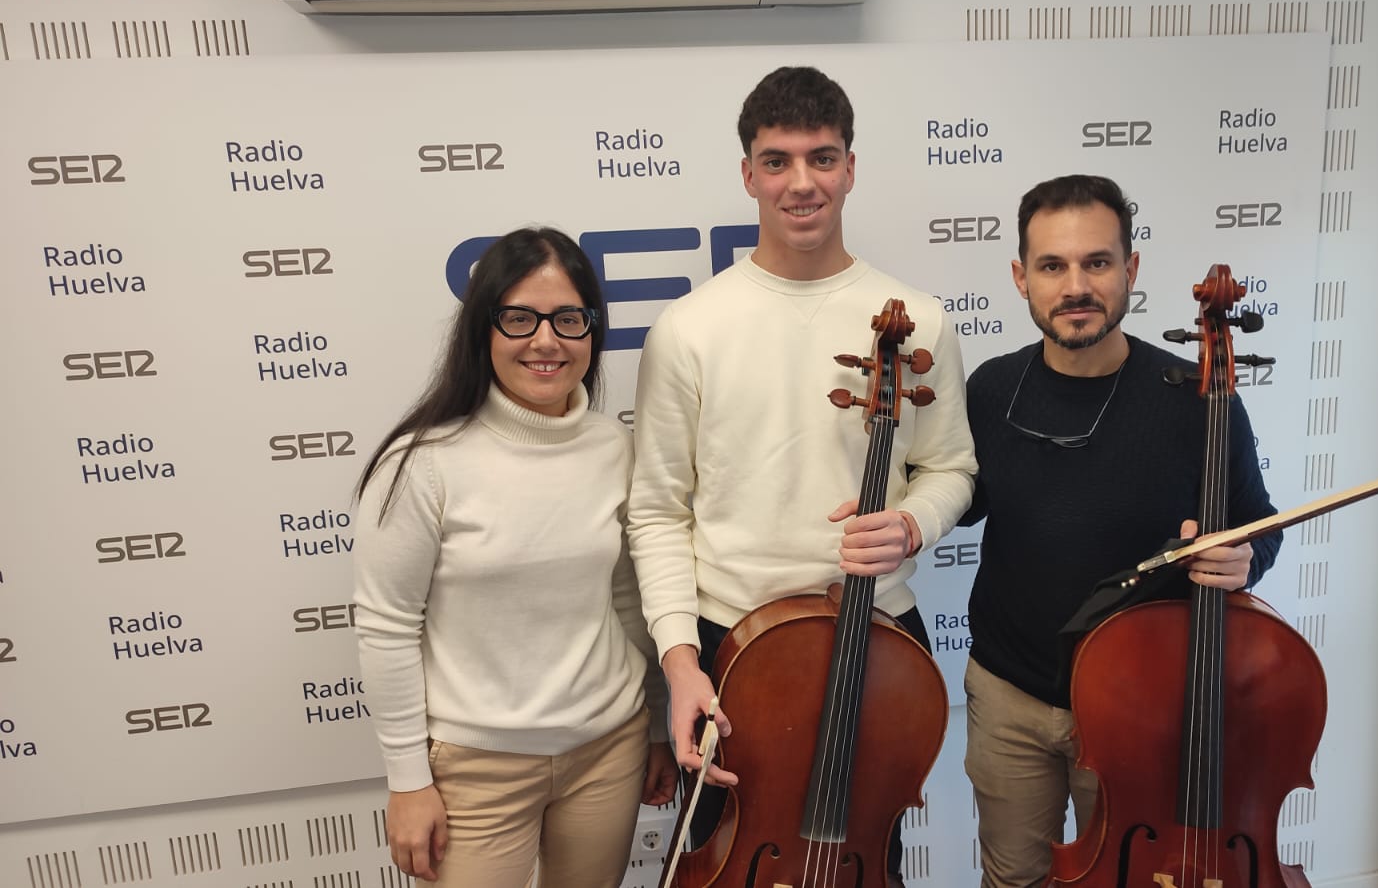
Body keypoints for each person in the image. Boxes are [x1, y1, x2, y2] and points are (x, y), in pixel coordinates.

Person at [628, 66, 977, 884]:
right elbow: (655, 513)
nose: (801, 182)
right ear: (748, 174)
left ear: (850, 167)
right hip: (731, 647)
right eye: (777, 161)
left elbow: (952, 467)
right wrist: (681, 662)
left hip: (878, 637)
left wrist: (913, 522)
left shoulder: (917, 319)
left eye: (822, 158)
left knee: (862, 856)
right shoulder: (689, 329)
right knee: (727, 858)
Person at [960, 174, 1282, 888]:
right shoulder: (990, 390)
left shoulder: (1200, 399)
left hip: (1139, 702)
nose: (1076, 285)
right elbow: (956, 498)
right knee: (1014, 879)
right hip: (1009, 695)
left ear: (1130, 270)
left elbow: (1261, 525)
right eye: (1052, 266)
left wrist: (1244, 558)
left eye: (1096, 263)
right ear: (1021, 278)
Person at [352, 227, 675, 888]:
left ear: (593, 329)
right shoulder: (423, 464)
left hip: (607, 750)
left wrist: (656, 727)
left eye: (568, 319)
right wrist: (408, 781)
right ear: (483, 329)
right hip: (476, 768)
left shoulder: (611, 446)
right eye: (520, 318)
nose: (546, 341)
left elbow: (625, 597)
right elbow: (386, 628)